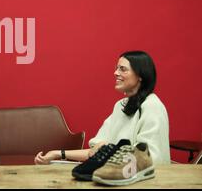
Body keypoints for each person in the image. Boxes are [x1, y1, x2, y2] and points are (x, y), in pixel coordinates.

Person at [34, 51, 170, 165]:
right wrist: (56, 154)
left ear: (140, 76)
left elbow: (148, 158)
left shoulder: (152, 107)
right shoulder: (121, 105)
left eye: (122, 69)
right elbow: (94, 151)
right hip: (116, 176)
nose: (115, 73)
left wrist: (108, 150)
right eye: (116, 68)